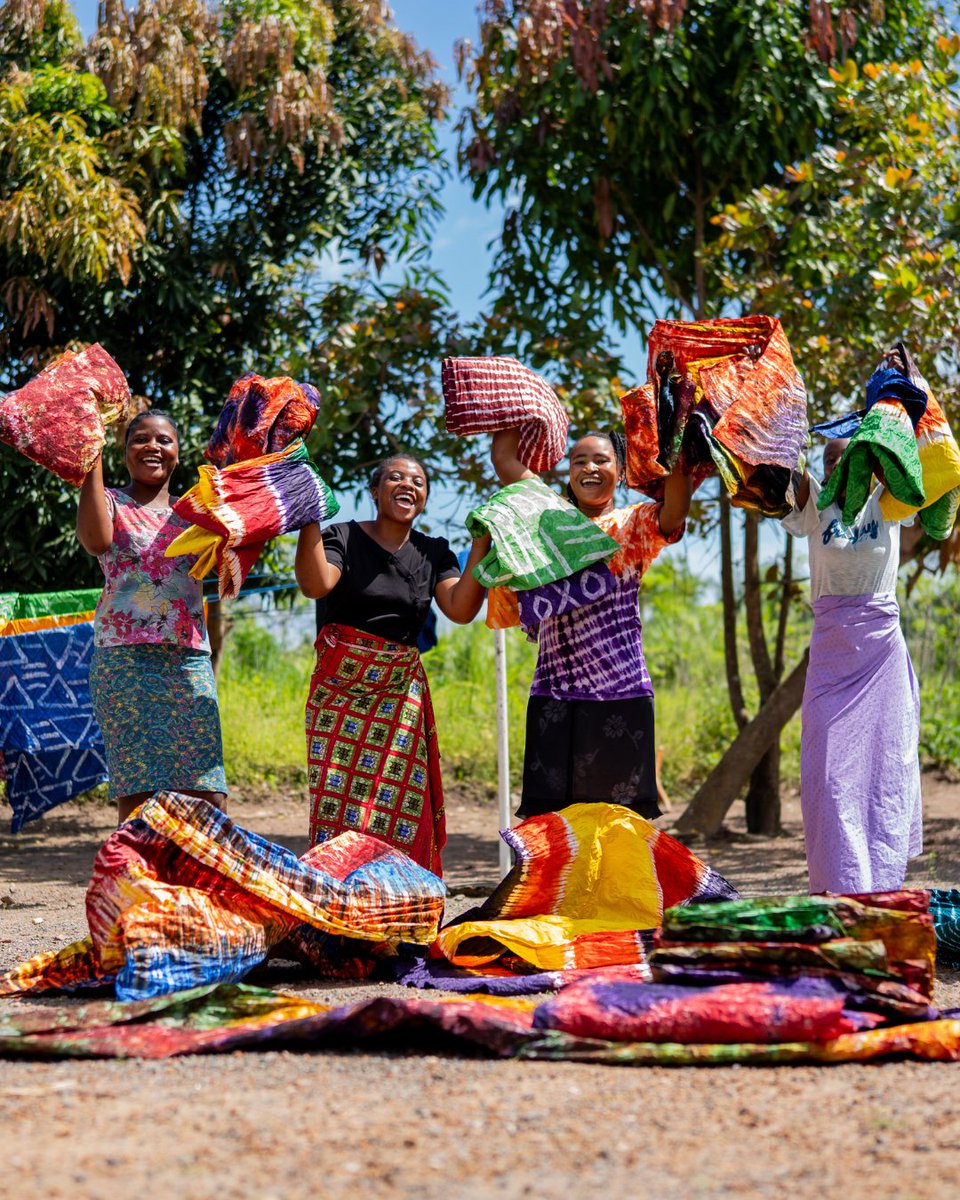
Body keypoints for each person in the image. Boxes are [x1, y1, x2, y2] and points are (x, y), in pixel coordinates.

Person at [295, 453, 489, 875]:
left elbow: (460, 609)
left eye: (418, 482)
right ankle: (338, 895)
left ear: (424, 498)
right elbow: (316, 584)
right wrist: (307, 516)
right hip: (340, 695)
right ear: (375, 491)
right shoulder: (342, 535)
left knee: (402, 801)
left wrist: (481, 543)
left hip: (399, 697)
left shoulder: (434, 552)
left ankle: (400, 895)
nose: (407, 485)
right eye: (395, 477)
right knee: (338, 800)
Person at [491, 427, 692, 819]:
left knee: (619, 824)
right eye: (579, 461)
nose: (589, 468)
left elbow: (676, 510)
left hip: (622, 693)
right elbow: (504, 460)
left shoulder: (634, 524)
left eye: (601, 460)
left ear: (621, 470)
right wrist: (516, 407)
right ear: (569, 473)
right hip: (554, 692)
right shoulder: (548, 523)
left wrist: (677, 431)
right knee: (553, 824)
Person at [782, 438, 922, 894]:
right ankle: (837, 888)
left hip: (881, 655)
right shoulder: (815, 506)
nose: (838, 464)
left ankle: (879, 891)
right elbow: (786, 465)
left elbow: (929, 469)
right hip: (830, 656)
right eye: (829, 459)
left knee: (885, 770)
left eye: (849, 456)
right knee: (828, 775)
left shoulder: (890, 502)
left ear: (871, 463)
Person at [76, 410, 228, 823]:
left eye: (164, 440)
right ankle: (133, 867)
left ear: (178, 452)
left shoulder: (197, 513)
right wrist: (91, 454)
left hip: (188, 660)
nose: (153, 447)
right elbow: (95, 541)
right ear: (124, 451)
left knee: (208, 793)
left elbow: (228, 565)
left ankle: (197, 868)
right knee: (138, 794)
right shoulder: (109, 501)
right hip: (125, 664)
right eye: (140, 439)